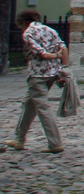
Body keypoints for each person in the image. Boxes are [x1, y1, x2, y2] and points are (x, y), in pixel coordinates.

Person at [6, 10, 67, 154]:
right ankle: (19, 140)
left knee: (43, 107)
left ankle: (55, 143)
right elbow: (63, 48)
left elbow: (42, 54)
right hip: (52, 73)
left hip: (38, 75)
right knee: (28, 104)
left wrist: (54, 55)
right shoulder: (50, 30)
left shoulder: (28, 33)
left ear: (23, 22)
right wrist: (64, 67)